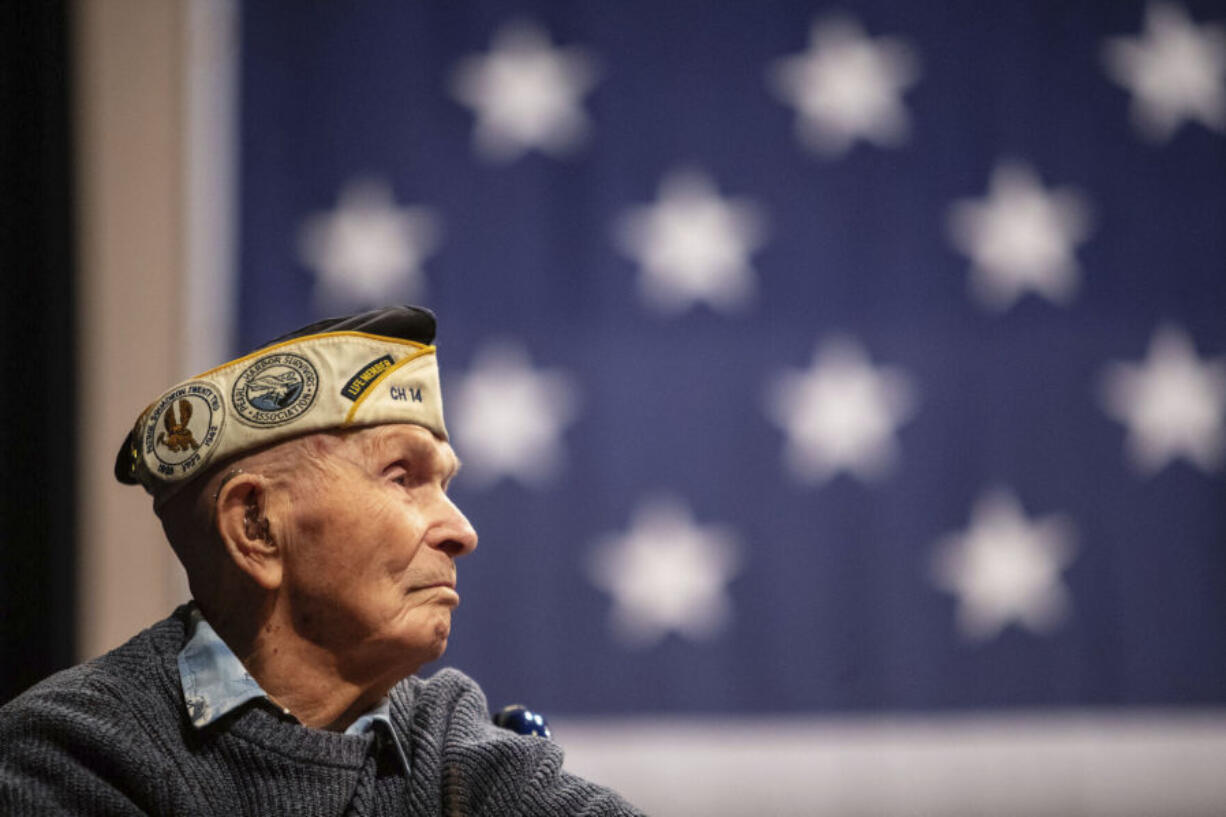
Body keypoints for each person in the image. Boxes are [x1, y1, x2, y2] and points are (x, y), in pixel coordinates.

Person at [0, 306, 644, 816]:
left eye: (445, 485)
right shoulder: (74, 756)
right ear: (256, 526)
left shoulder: (450, 743)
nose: (462, 531)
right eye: (402, 477)